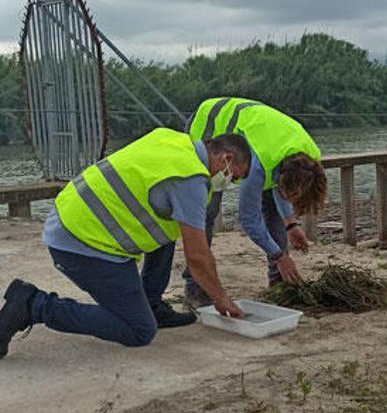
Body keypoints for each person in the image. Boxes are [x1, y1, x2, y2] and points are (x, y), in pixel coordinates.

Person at [0, 128, 251, 358]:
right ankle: (33, 305)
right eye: (234, 177)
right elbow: (198, 257)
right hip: (82, 244)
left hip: (69, 216)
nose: (229, 182)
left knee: (171, 230)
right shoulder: (191, 181)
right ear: (226, 158)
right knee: (139, 330)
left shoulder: (172, 140)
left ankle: (150, 304)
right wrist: (221, 298)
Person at [183, 97, 327, 307]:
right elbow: (249, 219)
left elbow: (282, 189)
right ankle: (196, 286)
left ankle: (279, 282)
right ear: (282, 177)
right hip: (210, 122)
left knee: (273, 211)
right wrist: (279, 256)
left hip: (258, 134)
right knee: (206, 211)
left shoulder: (309, 159)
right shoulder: (256, 166)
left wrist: (291, 223)